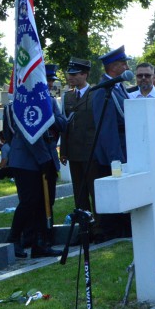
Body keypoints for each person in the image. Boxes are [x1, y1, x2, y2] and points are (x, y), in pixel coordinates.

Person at [5, 65, 67, 258]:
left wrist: (48, 115)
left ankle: (41, 244)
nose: (48, 83)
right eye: (45, 79)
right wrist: (43, 159)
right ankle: (14, 239)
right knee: (29, 201)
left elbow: (62, 123)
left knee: (45, 202)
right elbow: (26, 133)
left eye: (50, 80)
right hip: (26, 161)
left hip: (47, 158)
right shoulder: (22, 101)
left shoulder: (48, 100)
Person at [91, 45, 132, 242]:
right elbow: (107, 129)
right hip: (114, 154)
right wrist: (116, 159)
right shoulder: (103, 91)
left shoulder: (118, 86)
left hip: (125, 148)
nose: (126, 66)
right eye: (123, 63)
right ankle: (112, 233)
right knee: (115, 198)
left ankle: (122, 230)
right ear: (112, 67)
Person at [59, 57, 95, 211]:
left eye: (75, 74)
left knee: (94, 190)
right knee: (79, 193)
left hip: (91, 151)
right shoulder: (68, 96)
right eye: (70, 74)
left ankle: (99, 227)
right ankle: (84, 226)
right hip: (74, 152)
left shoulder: (95, 94)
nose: (70, 77)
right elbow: (65, 126)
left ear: (85, 75)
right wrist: (64, 150)